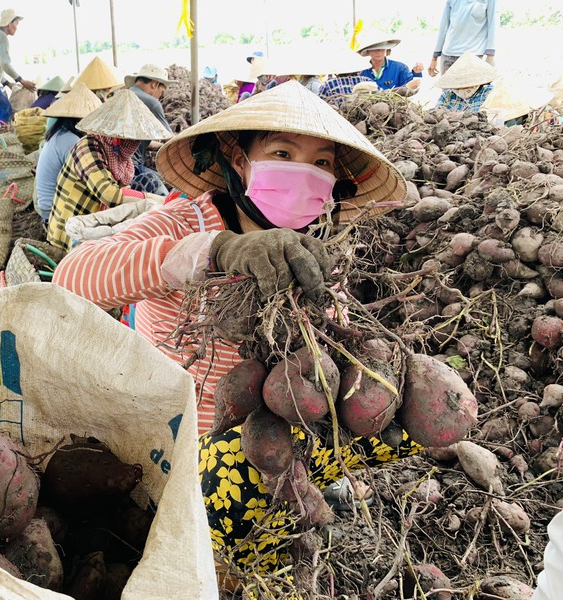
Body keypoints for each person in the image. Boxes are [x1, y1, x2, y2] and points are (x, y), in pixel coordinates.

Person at [51, 81, 420, 579]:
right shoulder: (187, 220)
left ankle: (295, 499)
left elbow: (332, 351)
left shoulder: (315, 247)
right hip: (189, 444)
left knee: (408, 410)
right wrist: (214, 252)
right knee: (238, 477)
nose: (304, 172)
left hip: (283, 427)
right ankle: (218, 556)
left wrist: (368, 382)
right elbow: (73, 276)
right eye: (283, 152)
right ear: (238, 157)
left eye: (322, 163)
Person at [46, 89, 172, 252]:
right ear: (117, 137)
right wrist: (150, 198)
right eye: (132, 140)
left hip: (93, 220)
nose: (135, 145)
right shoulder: (87, 149)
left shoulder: (116, 154)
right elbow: (111, 195)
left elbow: (122, 190)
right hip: (70, 231)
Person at [35, 82, 102, 224]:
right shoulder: (69, 141)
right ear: (79, 118)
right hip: (54, 212)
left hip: (49, 207)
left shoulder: (60, 134)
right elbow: (90, 181)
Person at [125, 64, 175, 195]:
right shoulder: (151, 103)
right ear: (154, 84)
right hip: (132, 167)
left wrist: (159, 147)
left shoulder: (123, 96)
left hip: (116, 166)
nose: (160, 96)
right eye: (161, 91)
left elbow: (135, 141)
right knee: (172, 183)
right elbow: (169, 138)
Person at [428, 0, 497, 77]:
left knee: (471, 88)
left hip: (472, 57)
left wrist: (490, 56)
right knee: (447, 88)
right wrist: (434, 58)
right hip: (448, 56)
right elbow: (443, 27)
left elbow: (493, 24)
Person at [358, 36, 423, 91]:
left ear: (387, 49)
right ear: (368, 51)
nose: (379, 51)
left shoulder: (400, 68)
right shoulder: (361, 72)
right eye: (374, 49)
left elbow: (413, 85)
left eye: (382, 48)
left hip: (396, 105)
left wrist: (416, 72)